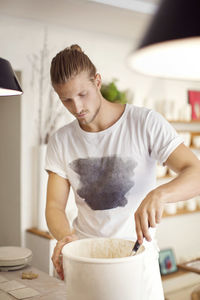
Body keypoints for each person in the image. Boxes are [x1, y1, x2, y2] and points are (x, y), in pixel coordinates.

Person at [45, 44, 200, 296]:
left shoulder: (144, 123)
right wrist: (65, 238)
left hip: (137, 260)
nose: (76, 108)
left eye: (82, 94)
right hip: (86, 260)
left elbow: (195, 172)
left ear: (97, 81)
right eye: (66, 100)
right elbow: (53, 206)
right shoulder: (61, 141)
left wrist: (159, 194)